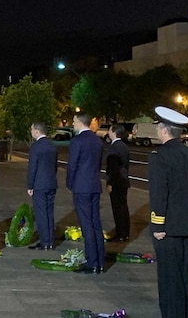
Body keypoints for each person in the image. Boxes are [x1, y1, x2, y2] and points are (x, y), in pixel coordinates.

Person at [148, 107, 188, 318]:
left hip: (169, 228)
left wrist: (158, 225)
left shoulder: (159, 157)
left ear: (164, 130)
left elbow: (159, 193)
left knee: (170, 278)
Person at [66, 113, 105, 274]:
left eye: (74, 121)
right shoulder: (97, 141)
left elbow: (72, 166)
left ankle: (92, 263)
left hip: (81, 187)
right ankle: (100, 261)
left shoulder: (77, 141)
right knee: (96, 223)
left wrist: (70, 183)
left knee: (86, 225)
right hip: (94, 185)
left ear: (81, 123)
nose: (73, 124)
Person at [26, 121, 57, 250]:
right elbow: (54, 166)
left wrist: (30, 185)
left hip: (39, 184)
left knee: (41, 214)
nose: (31, 132)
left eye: (32, 130)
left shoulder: (36, 147)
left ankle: (44, 241)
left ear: (37, 131)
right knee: (49, 213)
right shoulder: (52, 146)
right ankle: (50, 241)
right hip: (51, 183)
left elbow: (32, 167)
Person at [105, 123, 131, 242]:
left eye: (110, 130)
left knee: (117, 208)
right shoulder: (124, 146)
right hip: (124, 180)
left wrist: (110, 183)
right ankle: (125, 232)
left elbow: (113, 167)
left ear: (114, 132)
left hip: (117, 181)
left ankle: (120, 233)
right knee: (123, 207)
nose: (108, 132)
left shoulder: (114, 147)